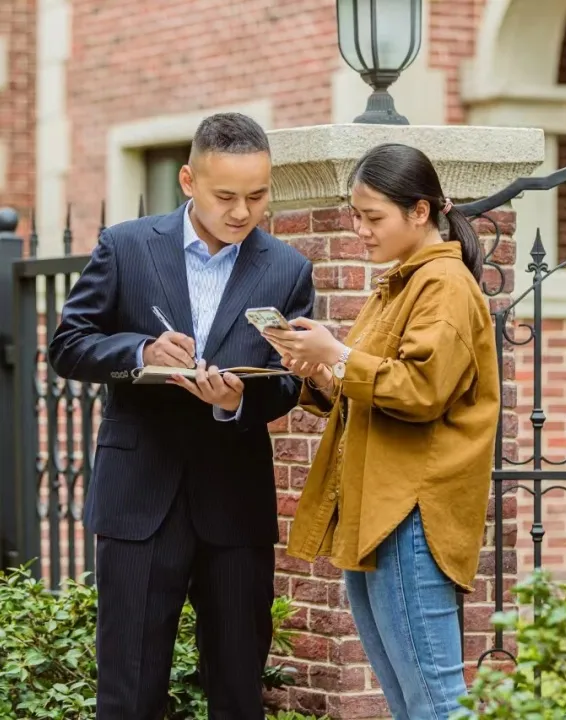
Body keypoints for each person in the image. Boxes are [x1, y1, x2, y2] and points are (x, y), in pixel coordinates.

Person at [48, 113, 314, 720]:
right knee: (129, 691)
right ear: (188, 180)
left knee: (240, 692)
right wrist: (137, 350)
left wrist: (238, 401)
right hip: (139, 499)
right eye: (227, 196)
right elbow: (68, 345)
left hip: (235, 505)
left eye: (258, 195)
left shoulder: (288, 269)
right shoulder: (125, 245)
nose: (243, 212)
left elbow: (288, 383)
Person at [263, 142, 500, 719]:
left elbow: (421, 390)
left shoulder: (442, 285)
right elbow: (373, 384)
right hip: (378, 508)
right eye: (356, 215)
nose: (360, 230)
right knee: (408, 699)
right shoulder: (400, 282)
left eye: (373, 217)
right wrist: (320, 368)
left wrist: (339, 356)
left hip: (412, 512)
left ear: (420, 212)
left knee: (435, 702)